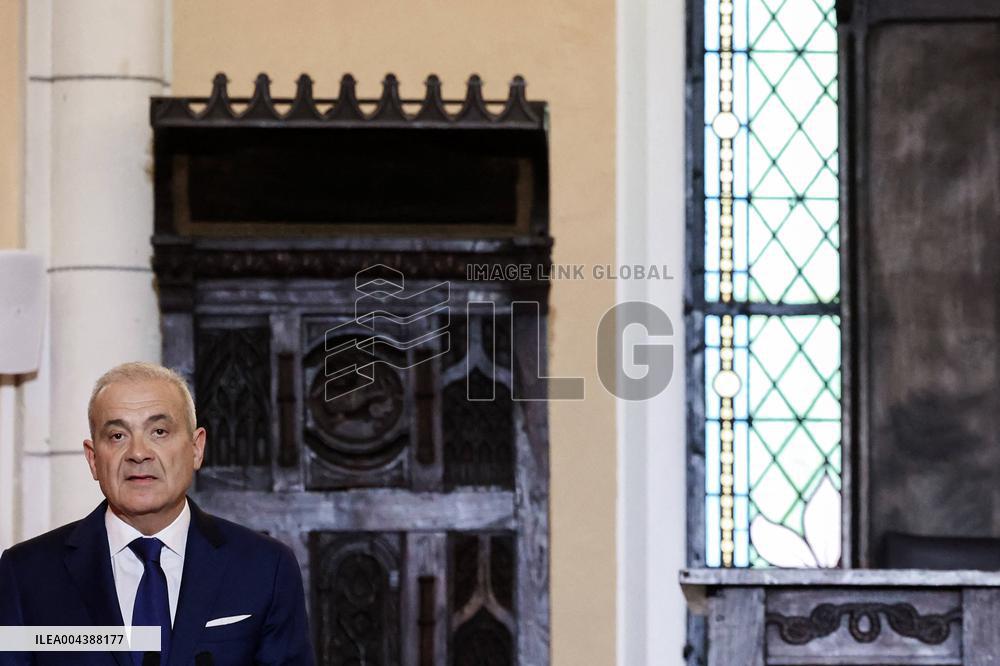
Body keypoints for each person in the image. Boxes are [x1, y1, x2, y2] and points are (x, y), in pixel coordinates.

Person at [0, 362, 314, 666]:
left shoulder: (265, 568)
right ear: (94, 459)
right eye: (117, 436)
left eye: (159, 432)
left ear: (196, 448)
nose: (138, 453)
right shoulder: (27, 574)